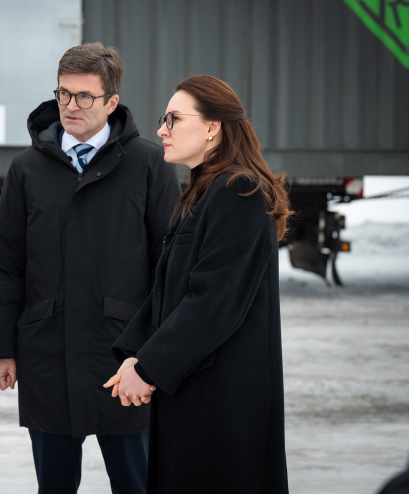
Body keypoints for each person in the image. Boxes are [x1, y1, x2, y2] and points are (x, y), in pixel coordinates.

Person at [0, 43, 181, 494]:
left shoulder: (148, 164)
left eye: (85, 96)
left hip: (125, 357)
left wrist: (157, 354)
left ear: (111, 102)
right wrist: (2, 349)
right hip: (47, 355)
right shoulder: (26, 169)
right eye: (64, 94)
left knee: (136, 484)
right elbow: (8, 266)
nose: (71, 105)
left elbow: (167, 264)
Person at [105, 75, 291, 493]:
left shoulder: (238, 190)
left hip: (221, 407)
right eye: (163, 119)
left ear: (212, 127)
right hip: (195, 391)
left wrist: (149, 368)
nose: (161, 130)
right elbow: (169, 291)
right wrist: (135, 355)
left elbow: (213, 303)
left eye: (173, 118)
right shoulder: (203, 192)